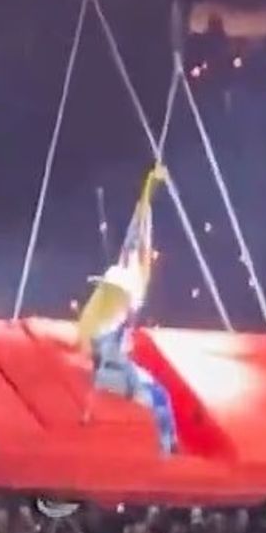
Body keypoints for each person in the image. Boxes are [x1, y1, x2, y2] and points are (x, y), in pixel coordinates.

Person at [77, 168, 177, 454]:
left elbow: (136, 238)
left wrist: (149, 186)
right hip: (111, 371)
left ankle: (168, 447)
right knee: (158, 397)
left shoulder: (111, 309)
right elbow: (137, 236)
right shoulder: (110, 317)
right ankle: (167, 450)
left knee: (160, 397)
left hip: (113, 366)